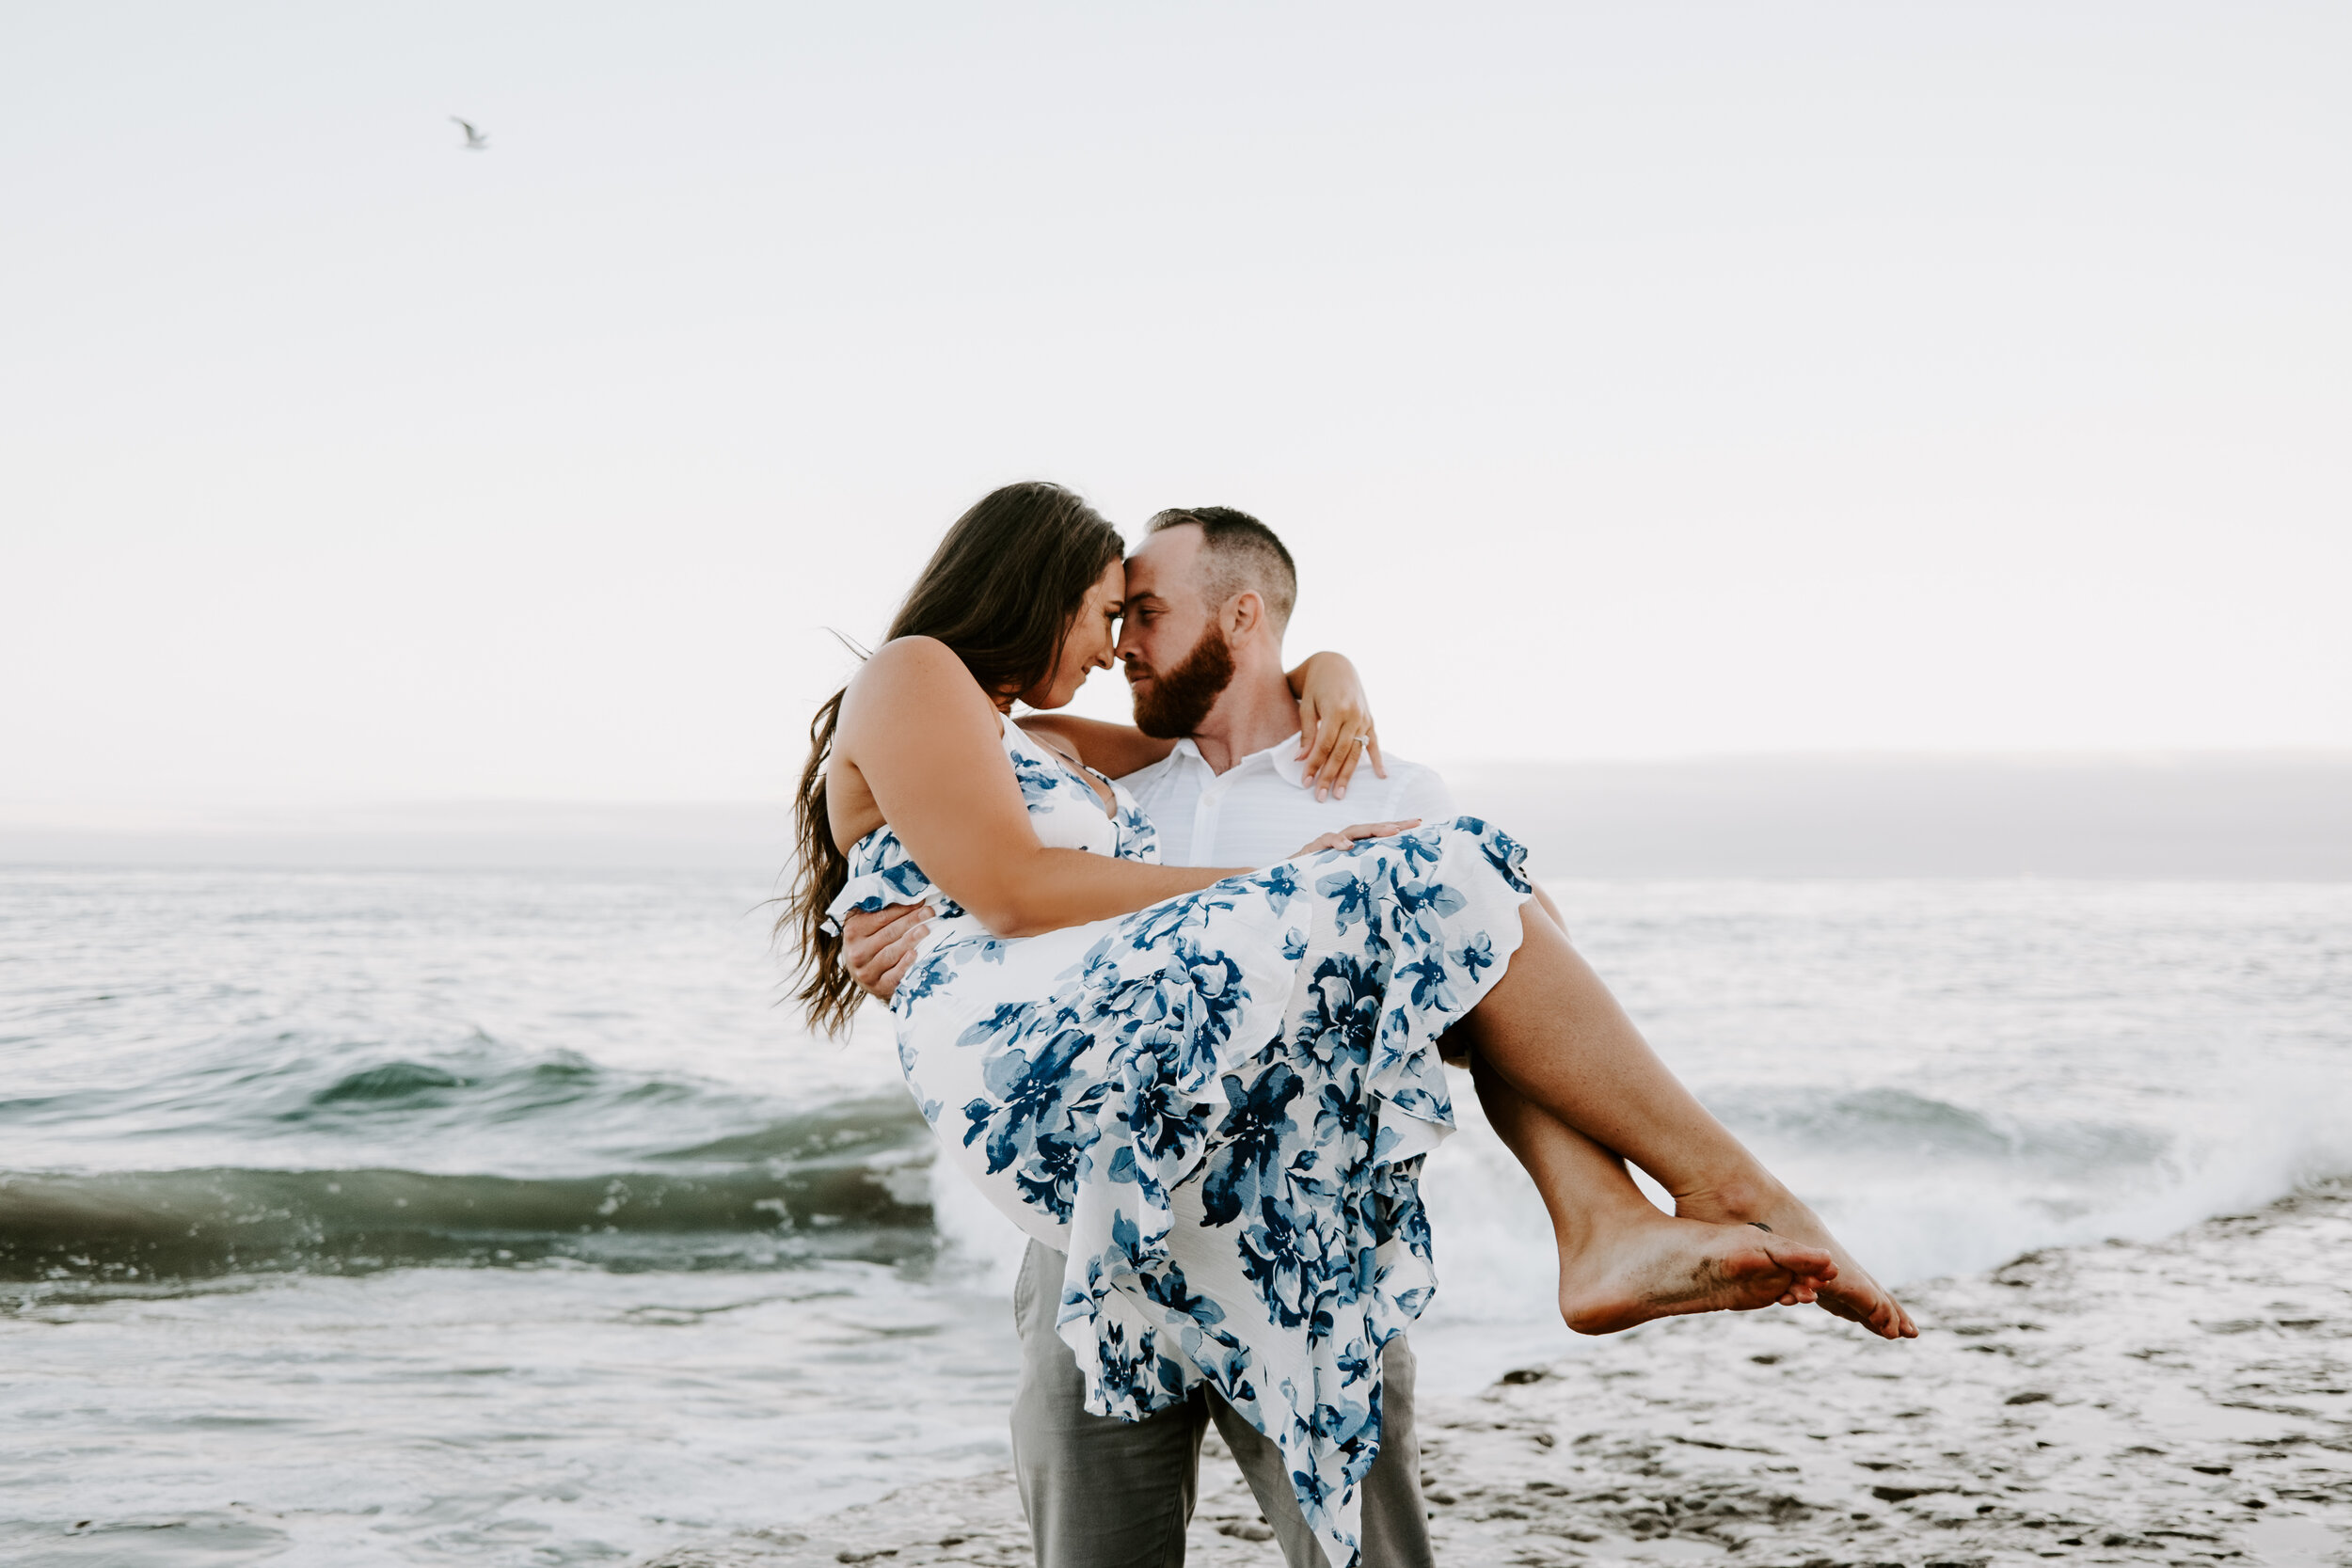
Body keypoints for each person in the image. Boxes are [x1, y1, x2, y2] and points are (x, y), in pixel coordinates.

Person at [786, 482, 1912, 1568]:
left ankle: (1611, 1219)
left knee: (1479, 885)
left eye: (1142, 612)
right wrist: (1266, 870)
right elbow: (1012, 877)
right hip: (1106, 1214)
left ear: (1241, 617)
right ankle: (1655, 1206)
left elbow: (1492, 981)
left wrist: (1329, 672)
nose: (1116, 641)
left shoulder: (1366, 784)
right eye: (1107, 610)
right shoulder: (996, 712)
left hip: (1292, 1216)